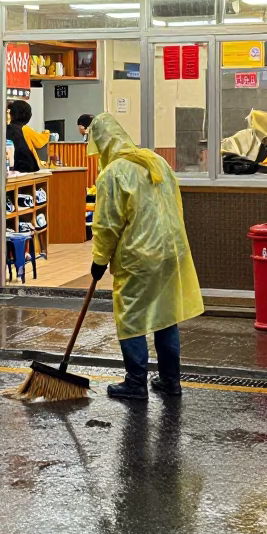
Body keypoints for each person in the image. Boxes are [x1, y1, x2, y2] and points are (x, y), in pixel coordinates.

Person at [88, 113, 204, 401]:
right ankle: (170, 381)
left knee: (131, 316)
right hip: (170, 251)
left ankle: (135, 382)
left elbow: (107, 224)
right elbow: (175, 203)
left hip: (139, 257)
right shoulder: (156, 161)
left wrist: (99, 260)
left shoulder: (113, 174)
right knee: (165, 316)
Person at [6, 99, 50, 173]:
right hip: (26, 168)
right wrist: (47, 133)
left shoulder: (7, 129)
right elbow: (40, 142)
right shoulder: (25, 129)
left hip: (12, 167)